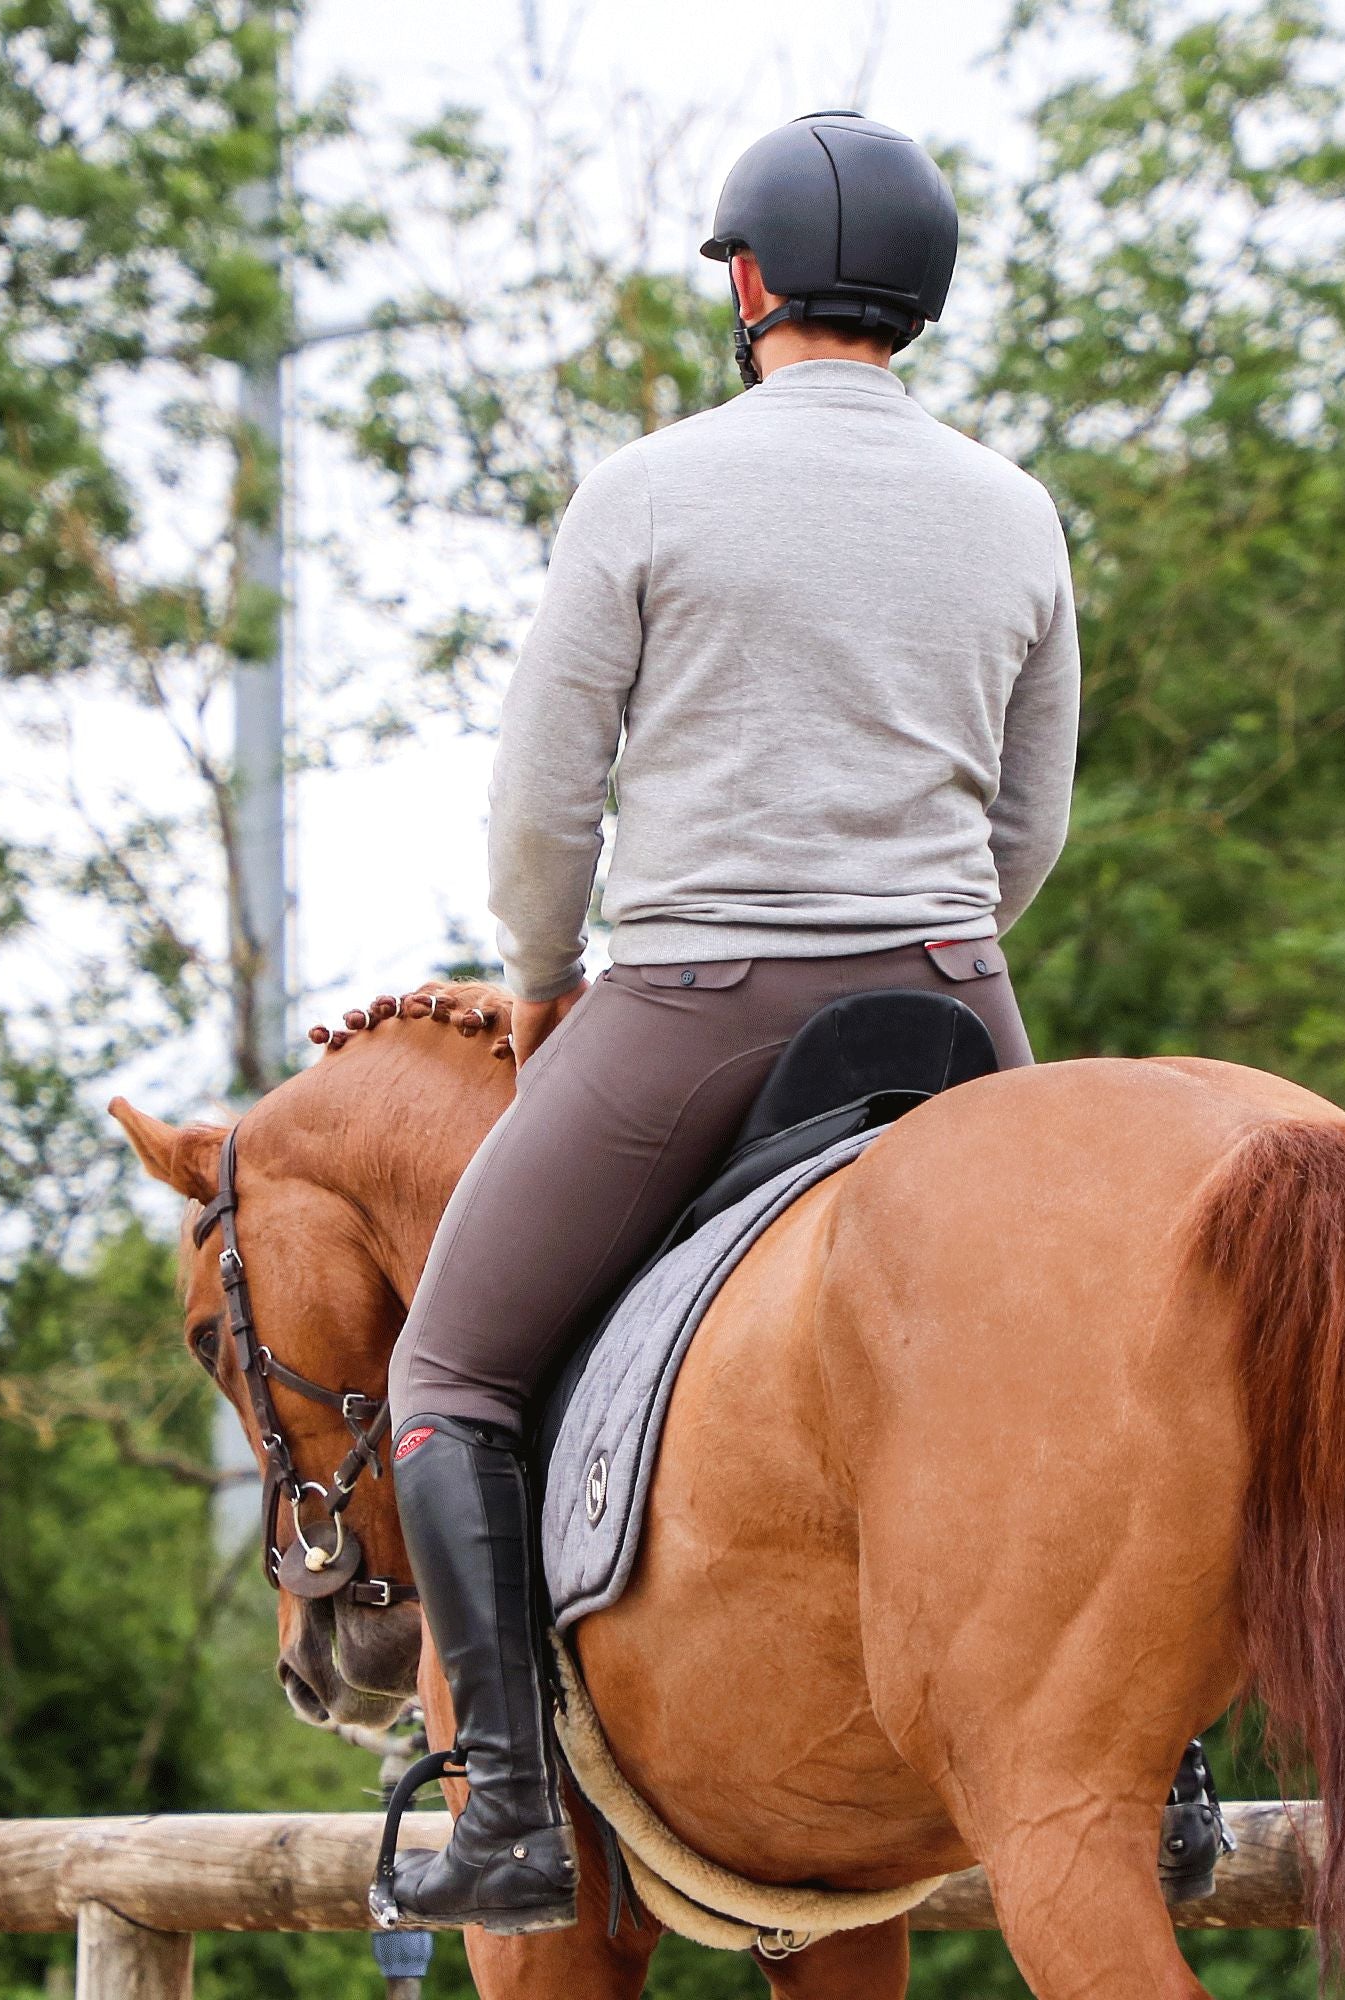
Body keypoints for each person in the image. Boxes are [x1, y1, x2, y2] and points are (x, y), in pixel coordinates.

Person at [380, 111, 1079, 1933]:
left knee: (446, 1377)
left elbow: (546, 801)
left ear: (751, 284)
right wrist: (934, 942)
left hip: (695, 996)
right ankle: (1154, 1771)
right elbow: (1032, 820)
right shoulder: (1014, 511)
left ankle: (515, 1811)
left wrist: (543, 978)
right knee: (1090, 1362)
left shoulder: (650, 491)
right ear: (918, 301)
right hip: (949, 994)